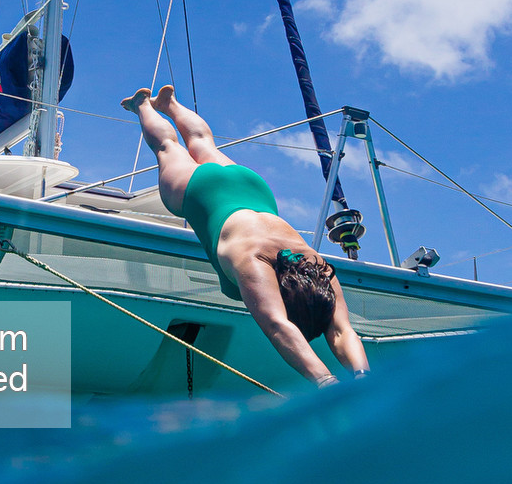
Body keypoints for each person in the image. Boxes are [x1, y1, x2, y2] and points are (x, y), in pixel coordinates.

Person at [123, 84, 368, 387]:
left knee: (202, 142)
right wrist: (324, 381)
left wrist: (362, 378)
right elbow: (279, 326)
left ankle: (169, 103)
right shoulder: (253, 264)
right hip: (202, 194)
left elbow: (342, 330)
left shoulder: (315, 265)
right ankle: (143, 105)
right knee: (168, 146)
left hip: (252, 190)